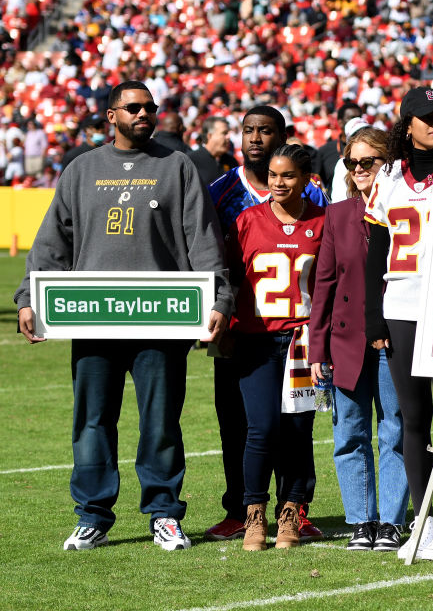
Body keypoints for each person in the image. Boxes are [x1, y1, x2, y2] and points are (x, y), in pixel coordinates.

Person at [13, 80, 233, 551]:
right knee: (91, 421)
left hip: (162, 320)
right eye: (133, 107)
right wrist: (27, 295)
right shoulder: (81, 169)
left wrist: (219, 297)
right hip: (94, 319)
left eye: (150, 107)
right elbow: (52, 242)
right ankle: (92, 514)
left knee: (161, 422)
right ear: (111, 115)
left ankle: (164, 514)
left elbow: (202, 239)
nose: (144, 113)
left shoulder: (177, 167)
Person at [205, 106, 329, 542]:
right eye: (249, 130)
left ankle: (295, 511)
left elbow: (332, 278)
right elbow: (220, 268)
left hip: (301, 339)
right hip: (251, 335)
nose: (256, 138)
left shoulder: (321, 214)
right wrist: (221, 325)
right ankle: (247, 512)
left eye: (266, 131)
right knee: (249, 425)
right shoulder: (229, 199)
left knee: (298, 428)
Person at [365, 86, 433, 560]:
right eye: (427, 117)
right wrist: (374, 314)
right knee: (412, 417)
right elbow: (374, 250)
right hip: (402, 302)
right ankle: (423, 519)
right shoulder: (387, 175)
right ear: (406, 124)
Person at [309, 127, 408, 551]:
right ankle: (360, 522)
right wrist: (317, 349)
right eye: (353, 162)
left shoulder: (406, 210)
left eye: (369, 161)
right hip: (345, 341)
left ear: (387, 163)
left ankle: (391, 521)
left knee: (395, 430)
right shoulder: (337, 214)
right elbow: (324, 286)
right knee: (349, 432)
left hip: (394, 337)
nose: (360, 169)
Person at [188, 116, 238, 185]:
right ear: (209, 136)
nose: (228, 137)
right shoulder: (190, 160)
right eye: (224, 133)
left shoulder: (232, 162)